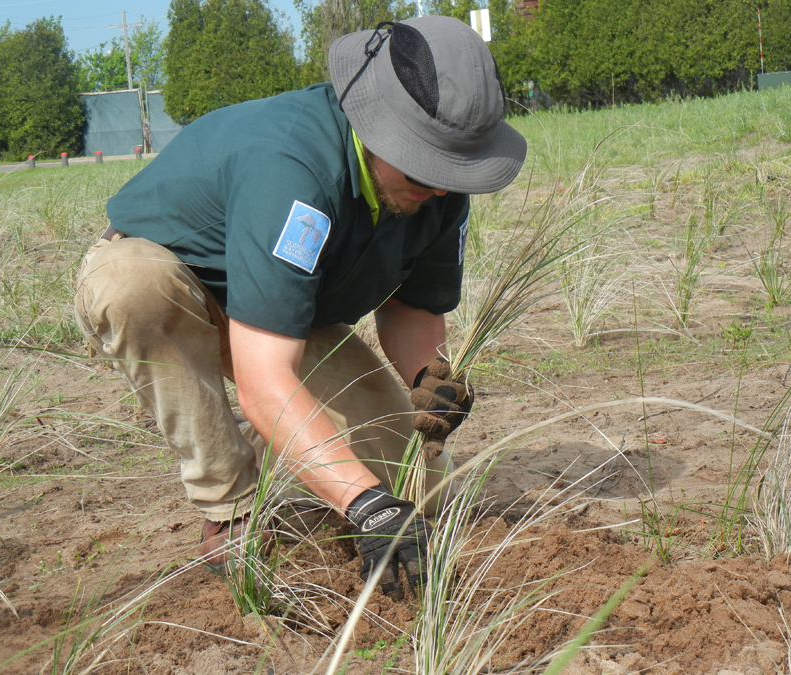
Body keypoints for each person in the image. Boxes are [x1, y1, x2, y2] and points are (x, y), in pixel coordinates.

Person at [73, 15, 526, 599]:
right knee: (134, 284)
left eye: (452, 168)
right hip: (174, 285)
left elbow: (412, 308)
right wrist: (365, 506)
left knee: (422, 489)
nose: (439, 185)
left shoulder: (438, 190)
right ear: (373, 124)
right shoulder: (295, 169)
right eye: (425, 163)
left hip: (284, 311)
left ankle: (283, 444)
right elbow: (266, 380)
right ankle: (229, 508)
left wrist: (427, 377)